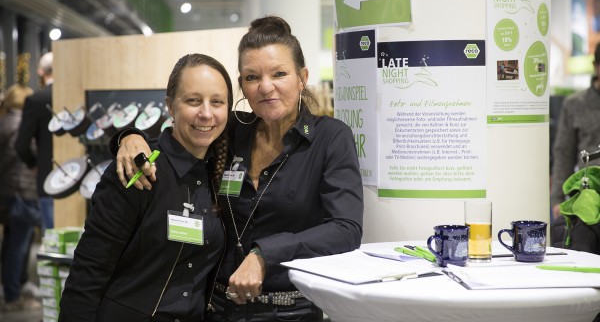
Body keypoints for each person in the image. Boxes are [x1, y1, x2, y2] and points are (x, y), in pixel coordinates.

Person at [113, 16, 364, 321]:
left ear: (302, 77)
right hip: (216, 308)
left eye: (279, 74)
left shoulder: (329, 138)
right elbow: (176, 142)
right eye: (252, 77)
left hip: (290, 311)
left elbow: (346, 229)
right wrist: (130, 137)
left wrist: (265, 255)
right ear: (242, 84)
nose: (266, 87)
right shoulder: (232, 131)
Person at [59, 53, 232, 321]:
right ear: (170, 106)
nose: (207, 113)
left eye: (217, 101)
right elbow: (89, 269)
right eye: (193, 100)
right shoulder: (139, 170)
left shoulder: (218, 173)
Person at [0, 84, 42, 312]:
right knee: (19, 244)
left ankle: (9, 288)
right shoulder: (22, 124)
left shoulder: (3, 122)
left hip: (6, 191)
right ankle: (13, 295)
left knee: (9, 242)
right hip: (22, 191)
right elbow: (27, 152)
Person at [551, 43, 600, 220]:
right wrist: (557, 199)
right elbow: (564, 154)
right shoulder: (575, 105)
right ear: (596, 66)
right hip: (587, 198)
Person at [15, 51, 54, 231]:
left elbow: (21, 145)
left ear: (41, 72)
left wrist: (34, 165)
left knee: (53, 240)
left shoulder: (36, 100)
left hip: (48, 176)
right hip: (83, 177)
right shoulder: (76, 94)